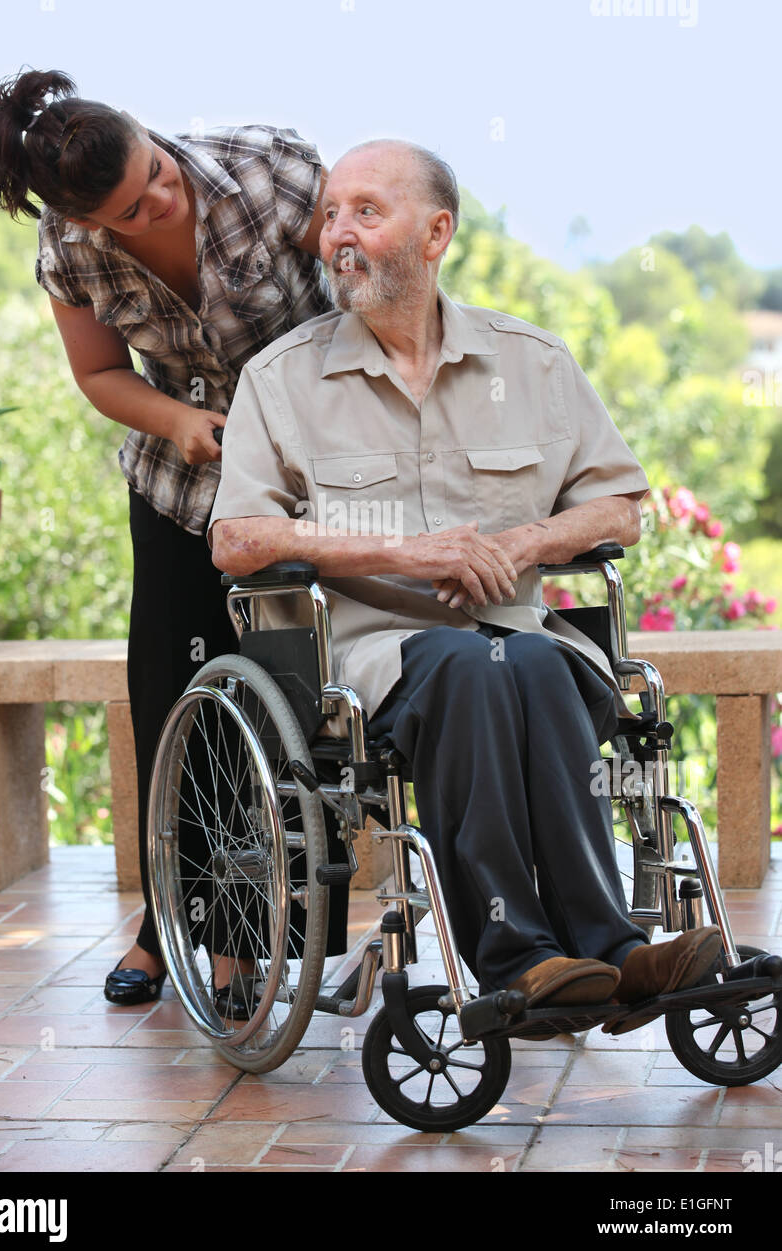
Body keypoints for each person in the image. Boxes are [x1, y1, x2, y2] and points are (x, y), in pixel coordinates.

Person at [206, 138, 722, 1033]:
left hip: (513, 636)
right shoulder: (282, 379)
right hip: (369, 653)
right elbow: (238, 537)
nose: (338, 233)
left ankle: (613, 950)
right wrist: (413, 556)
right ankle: (517, 957)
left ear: (437, 231)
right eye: (331, 214)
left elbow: (619, 510)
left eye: (367, 211)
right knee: (469, 665)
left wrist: (525, 542)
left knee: (532, 662)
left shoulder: (532, 363)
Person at [0, 67, 335, 1008]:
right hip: (184, 485)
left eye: (159, 170)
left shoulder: (271, 171)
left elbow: (363, 289)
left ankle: (267, 928)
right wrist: (174, 421)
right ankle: (170, 926)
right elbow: (97, 372)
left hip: (312, 482)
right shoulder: (71, 251)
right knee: (181, 705)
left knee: (295, 705)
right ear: (90, 222)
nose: (164, 197)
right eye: (135, 207)